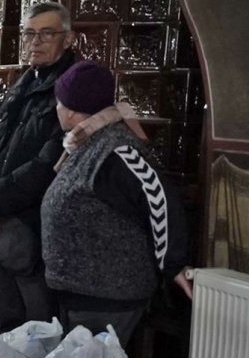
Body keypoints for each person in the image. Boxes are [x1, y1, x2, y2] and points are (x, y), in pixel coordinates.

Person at [42, 61, 190, 340]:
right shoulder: (91, 143)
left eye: (59, 102)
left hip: (108, 295)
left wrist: (173, 263)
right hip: (86, 293)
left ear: (72, 109)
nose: (56, 108)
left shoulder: (117, 149)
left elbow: (157, 195)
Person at [0, 1, 78, 330]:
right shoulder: (23, 81)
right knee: (9, 320)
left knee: (39, 326)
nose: (36, 42)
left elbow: (49, 163)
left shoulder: (71, 88)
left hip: (34, 227)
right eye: (29, 34)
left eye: (47, 34)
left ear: (68, 39)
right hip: (0, 223)